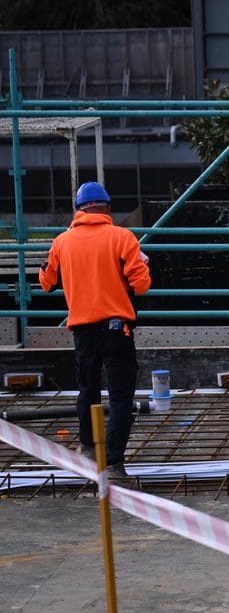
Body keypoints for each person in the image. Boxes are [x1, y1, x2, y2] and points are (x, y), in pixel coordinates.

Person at [38, 182, 151, 482]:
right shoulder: (122, 238)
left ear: (78, 210)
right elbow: (141, 284)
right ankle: (114, 465)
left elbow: (46, 282)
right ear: (108, 208)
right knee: (121, 398)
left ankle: (87, 447)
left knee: (88, 390)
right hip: (117, 330)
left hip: (83, 332)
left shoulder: (62, 242)